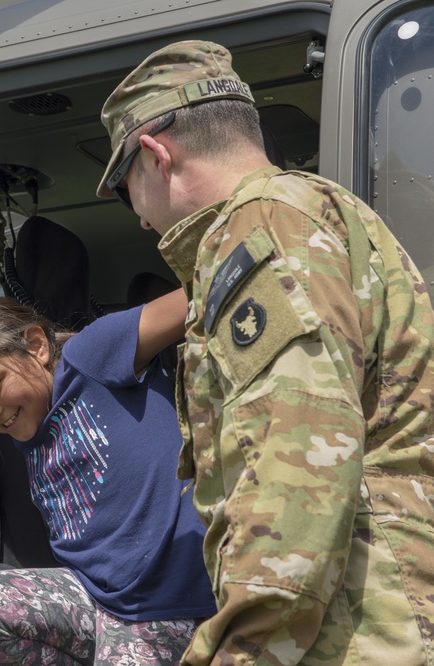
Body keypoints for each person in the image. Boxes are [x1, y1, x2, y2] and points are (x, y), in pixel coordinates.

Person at [97, 40, 434, 664]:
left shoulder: (258, 230)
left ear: (155, 153)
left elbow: (299, 462)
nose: (142, 220)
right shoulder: (319, 212)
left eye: (127, 192)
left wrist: (242, 650)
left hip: (354, 629)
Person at [0, 291, 217, 666]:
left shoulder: (91, 356)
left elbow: (206, 284)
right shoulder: (29, 436)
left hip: (170, 603)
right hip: (98, 606)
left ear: (36, 346)